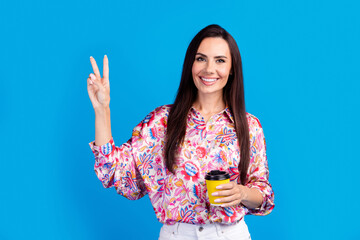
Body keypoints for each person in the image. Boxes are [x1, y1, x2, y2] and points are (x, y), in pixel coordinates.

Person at [87, 24, 274, 240]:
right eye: (201, 59)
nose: (209, 69)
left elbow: (263, 194)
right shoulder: (161, 122)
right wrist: (102, 110)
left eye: (220, 60)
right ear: (190, 64)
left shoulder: (249, 125)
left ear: (232, 68)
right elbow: (114, 172)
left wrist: (241, 193)